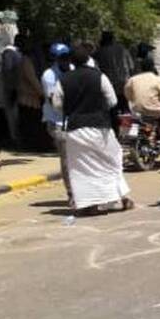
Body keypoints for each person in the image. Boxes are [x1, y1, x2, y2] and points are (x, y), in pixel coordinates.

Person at [52, 44, 134, 217]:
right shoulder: (99, 76)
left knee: (81, 168)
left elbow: (57, 104)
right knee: (112, 160)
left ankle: (90, 203)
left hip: (75, 130)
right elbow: (112, 100)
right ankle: (123, 196)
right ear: (89, 59)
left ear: (71, 61)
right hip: (100, 127)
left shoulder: (64, 80)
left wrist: (72, 109)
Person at [41, 43, 73, 201]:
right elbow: (53, 100)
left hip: (74, 120)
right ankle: (71, 193)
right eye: (62, 58)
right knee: (67, 157)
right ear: (55, 59)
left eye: (67, 57)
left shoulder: (73, 69)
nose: (66, 61)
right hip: (57, 122)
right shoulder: (49, 76)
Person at [94, 31, 133, 113]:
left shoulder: (99, 52)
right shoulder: (122, 49)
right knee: (124, 107)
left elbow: (96, 69)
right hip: (123, 83)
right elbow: (131, 66)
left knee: (111, 108)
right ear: (113, 39)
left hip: (109, 83)